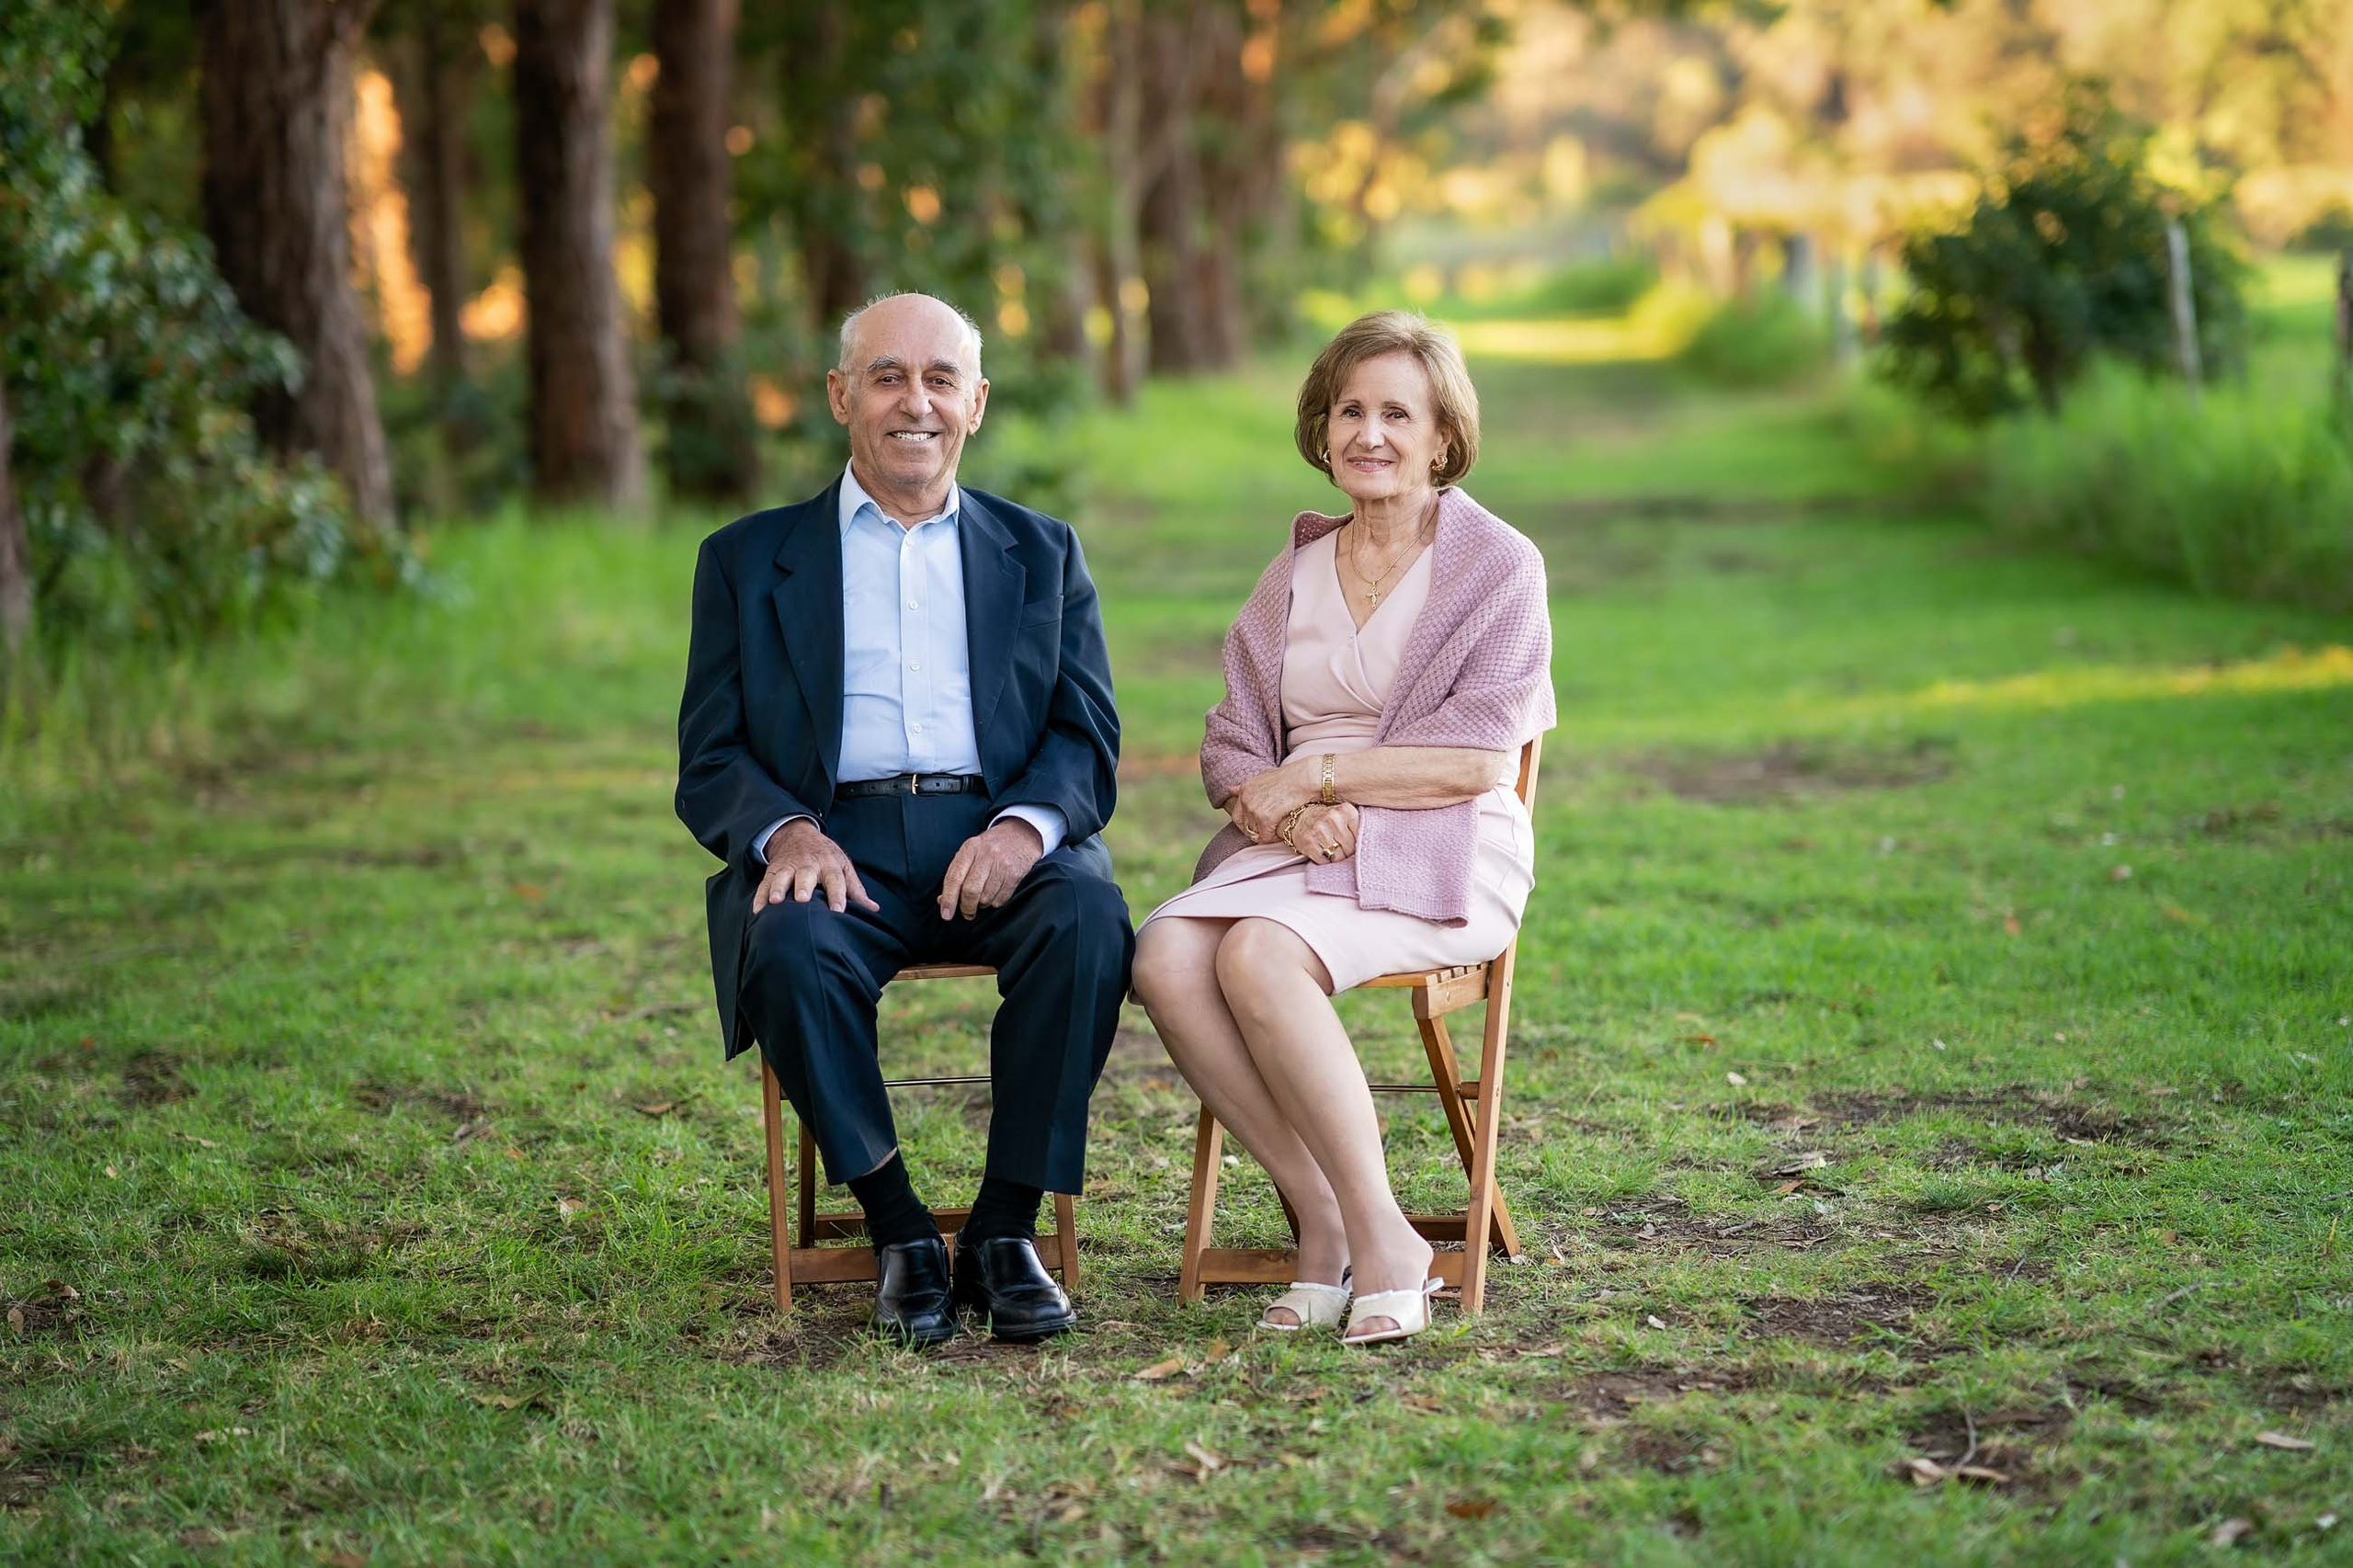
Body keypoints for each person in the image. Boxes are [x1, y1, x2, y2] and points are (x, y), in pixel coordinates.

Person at [676, 293, 1131, 1346]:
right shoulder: (747, 560)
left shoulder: (1043, 549)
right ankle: (901, 1234)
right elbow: (709, 755)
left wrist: (1023, 829)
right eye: (886, 376)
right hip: (836, 840)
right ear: (841, 397)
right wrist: (785, 831)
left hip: (996, 834)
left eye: (938, 379)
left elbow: (1085, 733)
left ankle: (1006, 1229)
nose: (912, 402)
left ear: (976, 402)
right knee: (785, 945)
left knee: (1091, 921)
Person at [1131, 311, 1553, 1346]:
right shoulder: (1292, 575)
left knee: (1262, 956)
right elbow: (1229, 747)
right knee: (1165, 954)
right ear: (1321, 433)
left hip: (1445, 843)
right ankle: (1321, 1220)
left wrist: (1322, 778)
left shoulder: (1497, 565)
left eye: (1395, 413)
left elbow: (1479, 759)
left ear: (1443, 436)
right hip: (1292, 850)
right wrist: (1272, 801)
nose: (1369, 432)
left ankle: (1388, 1238)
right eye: (1348, 410)